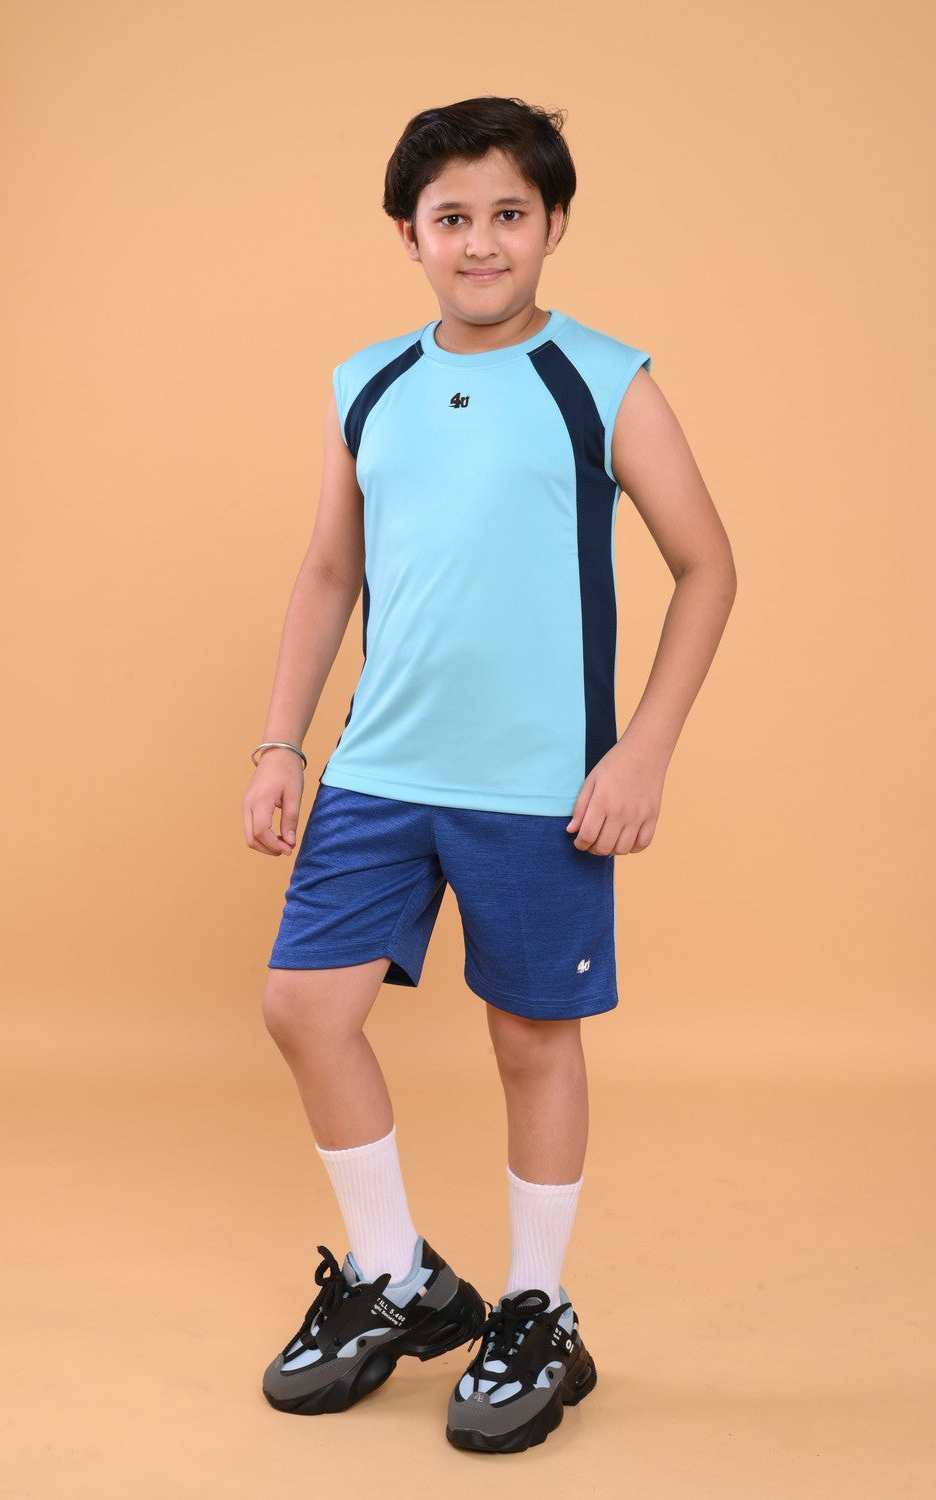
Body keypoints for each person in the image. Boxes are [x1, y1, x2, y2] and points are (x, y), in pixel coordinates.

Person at [242, 96, 736, 1454]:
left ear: (553, 224)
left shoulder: (604, 379)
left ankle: (536, 1308)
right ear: (408, 234)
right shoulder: (367, 384)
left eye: (509, 214)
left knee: (530, 1041)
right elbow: (329, 570)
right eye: (451, 217)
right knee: (304, 1008)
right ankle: (398, 1277)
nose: (480, 242)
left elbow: (708, 566)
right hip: (380, 770)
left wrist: (642, 750)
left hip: (538, 788)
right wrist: (282, 743)